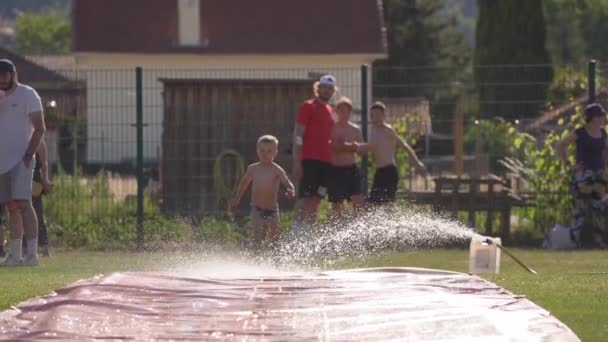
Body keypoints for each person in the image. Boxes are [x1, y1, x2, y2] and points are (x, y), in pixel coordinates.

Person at [0, 59, 46, 267]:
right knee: (11, 206)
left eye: (5, 75)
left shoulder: (28, 95)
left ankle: (32, 255)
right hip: (2, 162)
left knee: (24, 204)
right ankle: (15, 256)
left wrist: (29, 155)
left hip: (22, 160)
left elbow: (40, 128)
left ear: (13, 74)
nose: (2, 79)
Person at [557, 103, 608, 248]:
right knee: (580, 210)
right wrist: (569, 164)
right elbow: (561, 145)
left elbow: (606, 149)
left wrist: (605, 166)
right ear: (594, 118)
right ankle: (575, 241)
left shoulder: (603, 133)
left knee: (599, 209)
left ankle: (598, 242)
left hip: (599, 177)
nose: (604, 118)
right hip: (583, 177)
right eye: (601, 115)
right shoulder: (580, 132)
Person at [230, 135, 295, 248]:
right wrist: (237, 198)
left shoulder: (276, 169)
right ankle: (256, 256)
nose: (265, 153)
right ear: (257, 151)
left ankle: (271, 258)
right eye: (262, 150)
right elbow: (244, 184)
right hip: (257, 209)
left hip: (273, 210)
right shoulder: (253, 169)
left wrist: (291, 189)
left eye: (269, 151)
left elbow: (287, 181)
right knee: (257, 236)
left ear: (275, 152)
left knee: (275, 238)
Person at [291, 75, 337, 231]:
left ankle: (309, 235)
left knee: (317, 199)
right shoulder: (308, 106)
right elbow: (298, 135)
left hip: (327, 163)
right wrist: (297, 161)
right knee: (304, 197)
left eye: (330, 88)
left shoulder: (331, 111)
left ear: (333, 90)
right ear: (318, 88)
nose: (327, 90)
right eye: (324, 86)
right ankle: (296, 233)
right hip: (310, 160)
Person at [358, 101, 426, 205]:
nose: (374, 118)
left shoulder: (388, 130)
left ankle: (391, 220)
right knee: (374, 202)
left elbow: (405, 146)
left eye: (377, 115)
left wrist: (417, 163)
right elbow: (372, 147)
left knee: (387, 203)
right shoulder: (373, 130)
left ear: (383, 115)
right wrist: (356, 148)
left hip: (389, 171)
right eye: (372, 115)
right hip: (379, 171)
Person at [327, 96, 364, 217]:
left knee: (358, 200)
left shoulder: (356, 129)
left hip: (352, 169)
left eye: (347, 110)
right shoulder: (332, 128)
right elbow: (332, 147)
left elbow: (361, 149)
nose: (345, 113)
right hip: (336, 169)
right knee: (337, 205)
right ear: (337, 112)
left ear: (350, 112)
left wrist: (352, 147)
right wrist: (348, 147)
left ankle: (357, 229)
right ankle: (337, 231)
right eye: (341, 110)